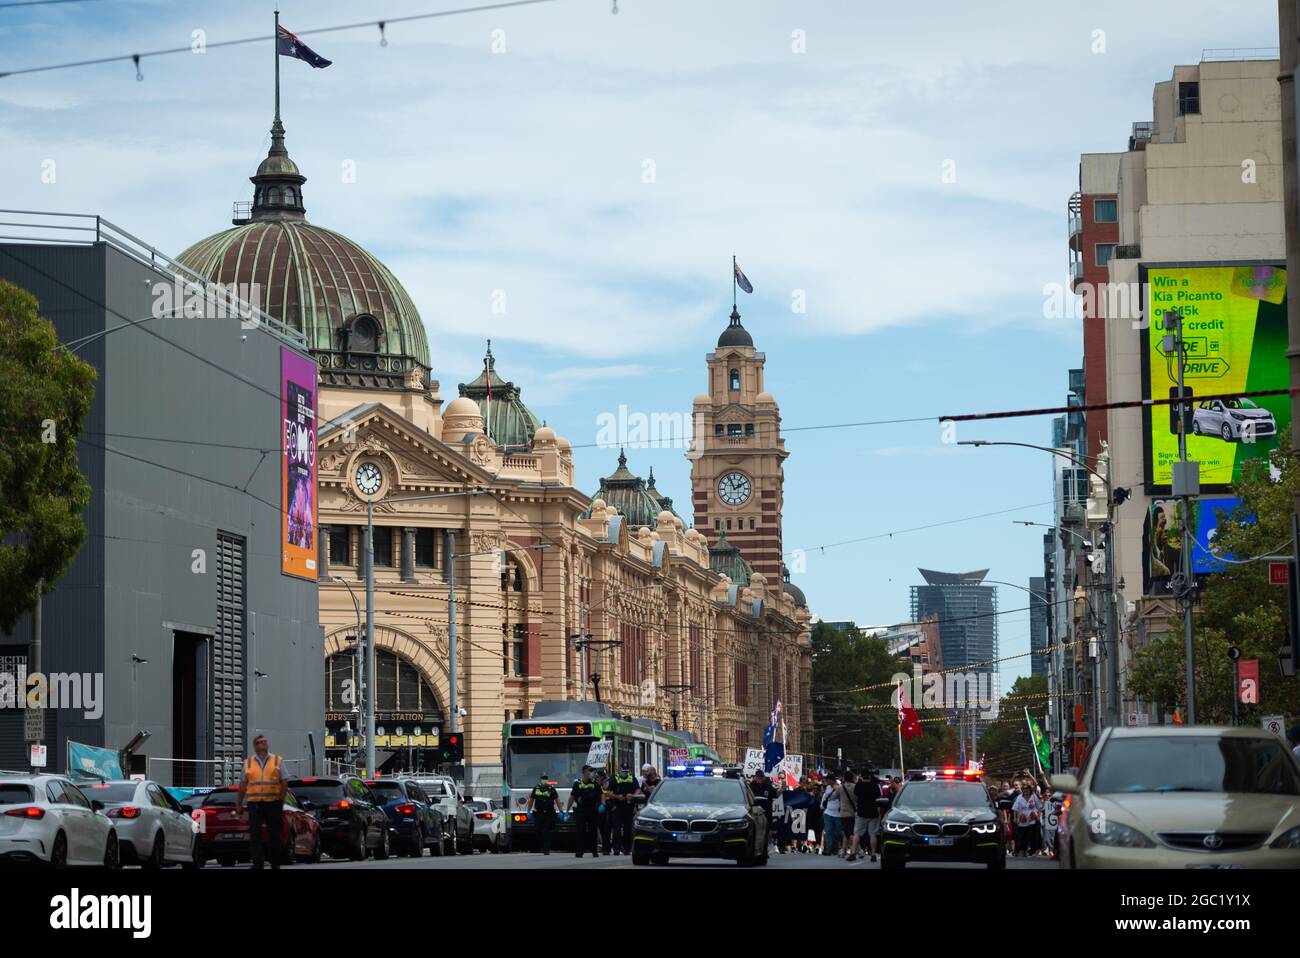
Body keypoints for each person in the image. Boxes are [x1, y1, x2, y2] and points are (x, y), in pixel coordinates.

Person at [235, 734, 286, 870]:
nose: (263, 743)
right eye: (260, 742)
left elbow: (284, 781)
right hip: (255, 803)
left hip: (273, 803)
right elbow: (242, 785)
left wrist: (281, 799)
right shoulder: (248, 763)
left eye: (265, 741)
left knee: (274, 835)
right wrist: (239, 804)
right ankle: (258, 863)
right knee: (255, 834)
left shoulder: (277, 760)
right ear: (255, 746)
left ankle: (275, 863)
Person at [567, 765, 603, 858]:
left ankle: (594, 851)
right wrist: (567, 810)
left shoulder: (595, 783)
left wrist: (603, 804)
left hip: (592, 810)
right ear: (584, 772)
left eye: (592, 771)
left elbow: (601, 794)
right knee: (580, 831)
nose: (591, 773)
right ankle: (580, 851)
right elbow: (572, 797)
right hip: (581, 811)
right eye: (589, 771)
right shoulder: (577, 784)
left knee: (593, 831)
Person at [607, 764, 641, 855]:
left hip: (628, 806)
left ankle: (627, 848)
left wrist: (632, 795)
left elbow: (638, 789)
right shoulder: (614, 779)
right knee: (616, 828)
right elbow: (609, 793)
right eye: (623, 771)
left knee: (628, 828)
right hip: (617, 806)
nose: (625, 773)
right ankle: (616, 849)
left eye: (626, 771)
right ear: (619, 770)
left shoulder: (632, 778)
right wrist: (617, 796)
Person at [851, 768, 882, 863]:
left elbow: (855, 796)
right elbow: (879, 797)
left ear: (861, 775)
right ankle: (873, 854)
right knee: (873, 834)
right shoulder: (875, 785)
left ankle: (853, 853)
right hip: (873, 813)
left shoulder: (858, 785)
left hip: (861, 812)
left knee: (857, 833)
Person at [525, 771, 559, 855]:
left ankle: (546, 849)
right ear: (540, 779)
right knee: (538, 831)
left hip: (549, 814)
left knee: (546, 831)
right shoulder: (536, 789)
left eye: (546, 778)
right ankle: (543, 846)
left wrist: (561, 811)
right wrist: (528, 811)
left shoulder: (551, 789)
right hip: (539, 814)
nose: (544, 780)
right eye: (543, 778)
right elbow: (531, 800)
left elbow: (557, 800)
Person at [1011, 780, 1043, 857]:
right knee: (1022, 837)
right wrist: (1015, 818)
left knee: (1033, 836)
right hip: (1022, 820)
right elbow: (1015, 809)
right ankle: (1023, 850)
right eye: (1024, 790)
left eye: (1027, 790)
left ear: (1030, 790)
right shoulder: (1019, 798)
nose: (1026, 792)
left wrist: (1038, 816)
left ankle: (1033, 851)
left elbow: (1039, 807)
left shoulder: (1034, 796)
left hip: (1032, 820)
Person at [820, 774, 843, 856]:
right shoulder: (827, 787)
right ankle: (828, 849)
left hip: (838, 813)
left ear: (832, 780)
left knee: (837, 832)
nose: (826, 781)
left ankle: (836, 848)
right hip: (828, 812)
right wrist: (823, 808)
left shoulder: (840, 787)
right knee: (828, 830)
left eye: (827, 780)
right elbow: (825, 798)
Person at [593, 769, 613, 855]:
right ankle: (605, 847)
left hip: (607, 808)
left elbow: (607, 793)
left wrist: (603, 803)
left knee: (606, 829)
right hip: (599, 808)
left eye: (597, 776)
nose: (596, 778)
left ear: (601, 777)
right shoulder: (596, 784)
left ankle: (606, 848)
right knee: (601, 828)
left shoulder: (607, 783)